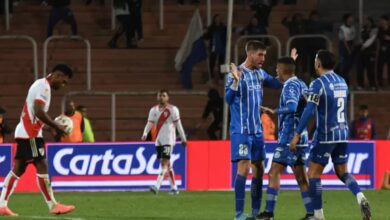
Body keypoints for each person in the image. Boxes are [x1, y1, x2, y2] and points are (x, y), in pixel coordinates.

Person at [290, 50, 371, 220]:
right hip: (343, 133)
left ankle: (318, 216)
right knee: (343, 172)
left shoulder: (318, 84)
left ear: (318, 63)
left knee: (313, 174)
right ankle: (360, 196)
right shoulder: (342, 82)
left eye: (315, 60)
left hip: (326, 134)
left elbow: (309, 110)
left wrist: (297, 134)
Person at [0, 64, 75, 216]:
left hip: (26, 131)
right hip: (30, 134)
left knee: (19, 168)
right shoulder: (44, 87)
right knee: (42, 165)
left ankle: (2, 205)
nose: (63, 85)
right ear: (57, 75)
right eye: (64, 82)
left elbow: (34, 114)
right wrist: (57, 126)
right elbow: (39, 112)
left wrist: (49, 128)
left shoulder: (41, 85)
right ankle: (53, 205)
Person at [225, 40, 282, 220]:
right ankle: (239, 213)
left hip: (257, 131)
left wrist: (289, 68)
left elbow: (277, 83)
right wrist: (235, 81)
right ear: (250, 54)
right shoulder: (235, 73)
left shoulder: (260, 74)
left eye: (264, 55)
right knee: (243, 167)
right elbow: (228, 99)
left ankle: (256, 213)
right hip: (241, 130)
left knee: (259, 167)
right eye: (260, 55)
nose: (263, 58)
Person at [257, 56, 313, 220]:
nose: (275, 71)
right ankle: (311, 214)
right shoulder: (301, 83)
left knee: (274, 172)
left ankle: (269, 213)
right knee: (301, 177)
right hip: (301, 136)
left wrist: (275, 111)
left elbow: (291, 106)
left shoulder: (289, 86)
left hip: (289, 137)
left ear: (282, 70)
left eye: (277, 68)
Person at [141, 89, 187, 195]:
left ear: (168, 97)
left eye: (164, 95)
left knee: (164, 163)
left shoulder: (173, 110)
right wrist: (145, 133)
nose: (161, 97)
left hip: (169, 140)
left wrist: (184, 139)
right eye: (160, 95)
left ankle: (156, 186)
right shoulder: (153, 110)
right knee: (167, 164)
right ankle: (174, 188)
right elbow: (149, 123)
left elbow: (178, 125)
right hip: (159, 140)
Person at [203, 14, 227, 83]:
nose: (217, 20)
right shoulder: (211, 28)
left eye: (219, 19)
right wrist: (204, 33)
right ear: (214, 20)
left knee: (222, 64)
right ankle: (211, 77)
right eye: (216, 19)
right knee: (212, 63)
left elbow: (226, 36)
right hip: (213, 48)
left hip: (222, 48)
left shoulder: (223, 27)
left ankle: (221, 78)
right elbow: (207, 37)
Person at [356, 17, 378, 90]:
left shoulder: (375, 29)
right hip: (362, 52)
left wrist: (364, 46)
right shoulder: (363, 29)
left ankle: (372, 85)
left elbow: (371, 39)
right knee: (360, 69)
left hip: (370, 52)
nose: (366, 22)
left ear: (371, 22)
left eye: (368, 21)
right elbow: (361, 38)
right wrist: (360, 43)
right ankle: (360, 85)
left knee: (370, 69)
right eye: (366, 21)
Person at [338, 13, 356, 85]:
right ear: (346, 19)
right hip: (344, 46)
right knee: (343, 64)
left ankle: (347, 80)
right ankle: (341, 80)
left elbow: (353, 38)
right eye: (350, 18)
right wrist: (348, 49)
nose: (351, 19)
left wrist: (352, 47)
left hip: (351, 45)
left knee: (350, 65)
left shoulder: (353, 27)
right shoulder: (342, 28)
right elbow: (344, 40)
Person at [377, 15, 390, 89]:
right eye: (381, 21)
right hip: (381, 52)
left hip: (389, 52)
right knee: (379, 68)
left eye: (383, 20)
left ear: (387, 21)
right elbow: (378, 40)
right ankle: (380, 84)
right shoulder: (380, 30)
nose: (381, 22)